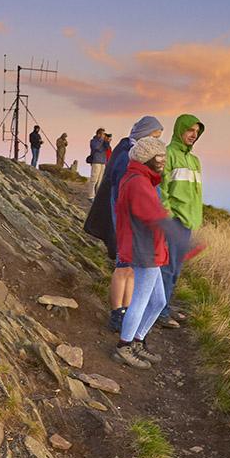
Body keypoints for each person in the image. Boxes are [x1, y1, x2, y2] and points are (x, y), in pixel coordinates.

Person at [112, 137, 194, 368]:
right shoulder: (138, 182)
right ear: (148, 157)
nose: (164, 161)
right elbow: (151, 216)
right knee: (140, 300)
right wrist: (180, 237)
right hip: (144, 250)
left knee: (158, 301)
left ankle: (137, 340)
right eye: (160, 157)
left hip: (150, 248)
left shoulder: (143, 180)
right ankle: (124, 346)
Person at [83, 116, 164, 331]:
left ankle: (124, 309)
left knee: (129, 269)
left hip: (128, 224)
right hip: (125, 224)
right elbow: (120, 195)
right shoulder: (127, 156)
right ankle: (117, 313)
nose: (156, 142)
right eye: (155, 137)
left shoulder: (128, 151)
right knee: (123, 268)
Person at [157, 114, 205, 328]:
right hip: (173, 221)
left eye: (197, 132)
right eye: (190, 130)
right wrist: (167, 217)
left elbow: (195, 193)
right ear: (180, 130)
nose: (193, 135)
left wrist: (195, 218)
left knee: (176, 269)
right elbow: (161, 188)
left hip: (188, 222)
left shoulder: (195, 160)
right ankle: (160, 312)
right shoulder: (168, 154)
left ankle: (166, 305)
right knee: (167, 268)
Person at [87, 128, 107, 198]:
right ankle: (91, 195)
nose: (104, 135)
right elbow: (96, 148)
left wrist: (107, 142)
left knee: (100, 180)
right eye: (103, 134)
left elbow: (107, 149)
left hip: (103, 161)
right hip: (96, 161)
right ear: (98, 134)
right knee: (94, 179)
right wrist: (102, 141)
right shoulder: (93, 141)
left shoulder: (104, 142)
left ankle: (97, 195)